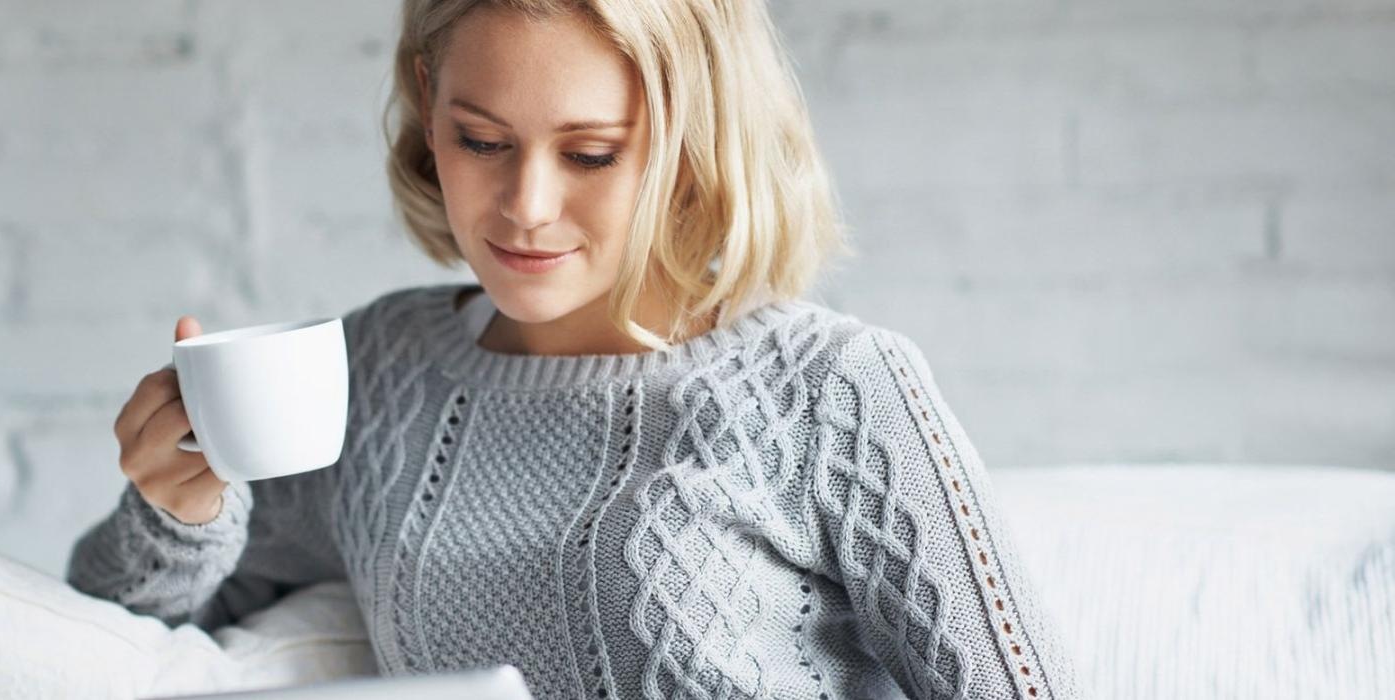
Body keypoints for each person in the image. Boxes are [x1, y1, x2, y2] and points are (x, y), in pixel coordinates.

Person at [68, 1, 1082, 698]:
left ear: (695, 141)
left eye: (591, 153)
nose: (525, 206)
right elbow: (106, 625)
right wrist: (180, 505)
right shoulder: (378, 373)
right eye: (480, 139)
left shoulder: (831, 391)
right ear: (429, 105)